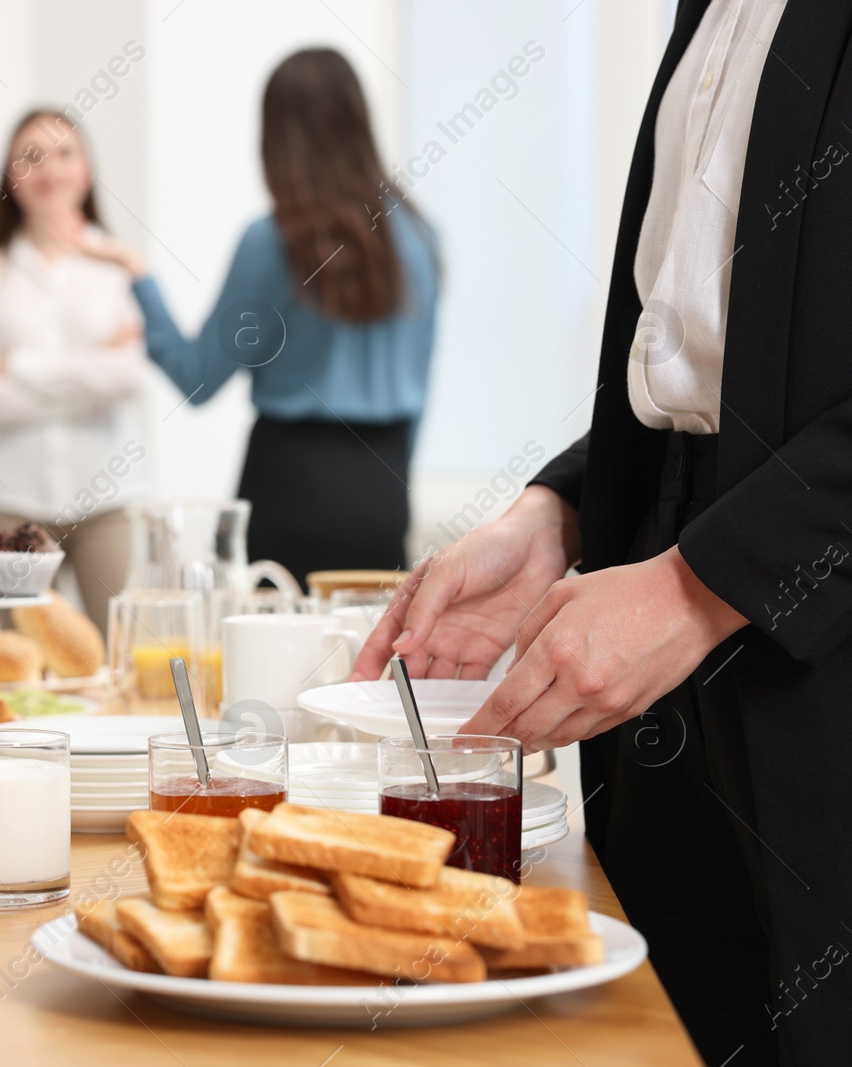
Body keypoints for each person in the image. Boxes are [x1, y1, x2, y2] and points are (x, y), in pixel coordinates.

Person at [353, 2, 852, 1062]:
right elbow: (719, 359)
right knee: (670, 1020)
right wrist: (562, 510)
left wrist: (695, 586)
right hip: (675, 582)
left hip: (809, 622)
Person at [75, 49, 439, 582]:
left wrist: (138, 274)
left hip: (289, 484)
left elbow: (197, 379)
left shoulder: (272, 242)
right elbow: (420, 391)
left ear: (277, 137)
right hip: (382, 486)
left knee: (270, 658)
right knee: (365, 658)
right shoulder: (418, 238)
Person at [0, 109, 150, 636]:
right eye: (31, 156)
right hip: (7, 504)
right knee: (22, 671)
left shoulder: (117, 264)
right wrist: (91, 372)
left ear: (86, 170)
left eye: (64, 153)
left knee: (120, 658)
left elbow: (130, 379)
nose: (50, 169)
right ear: (10, 176)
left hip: (108, 500)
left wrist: (18, 366)